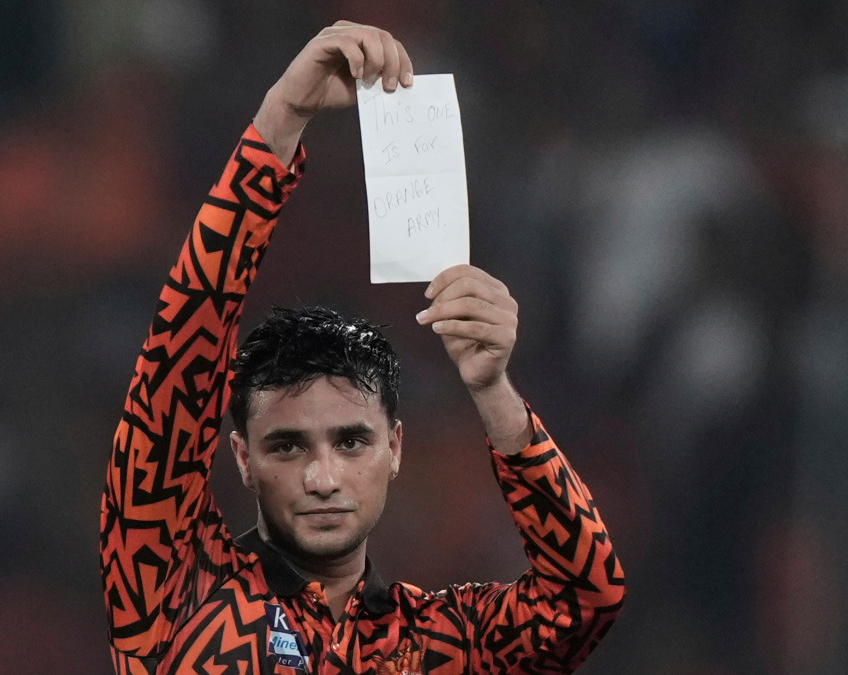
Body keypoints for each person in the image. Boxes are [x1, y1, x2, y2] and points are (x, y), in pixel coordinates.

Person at [100, 21, 624, 674]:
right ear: (242, 455)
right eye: (287, 444)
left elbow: (585, 597)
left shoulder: (440, 643)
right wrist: (280, 119)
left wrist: (495, 394)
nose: (323, 477)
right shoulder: (177, 595)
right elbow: (177, 363)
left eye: (350, 441)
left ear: (395, 448)